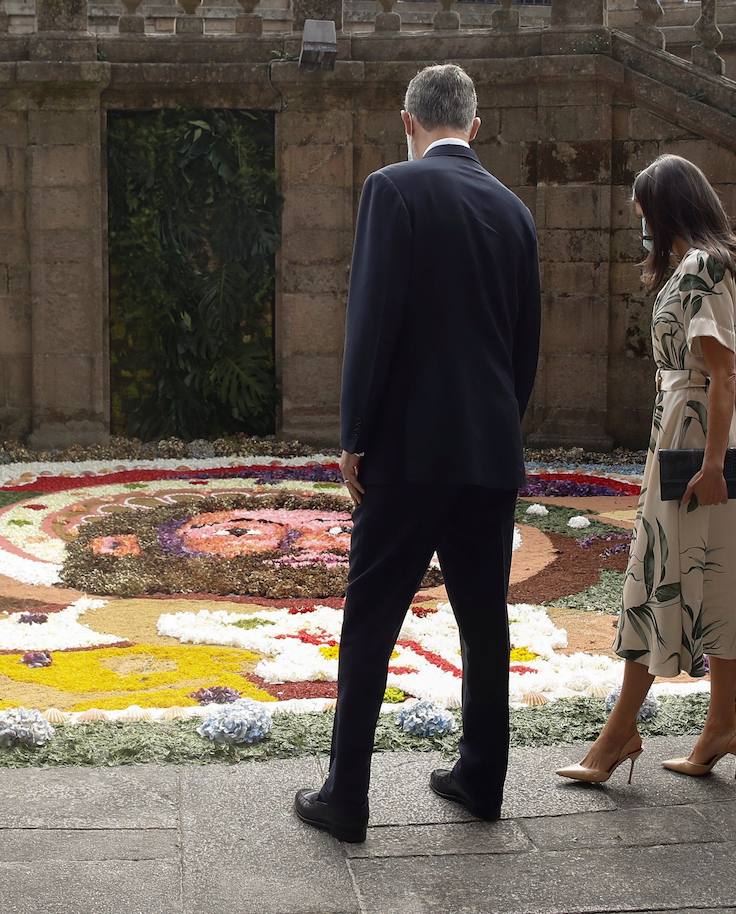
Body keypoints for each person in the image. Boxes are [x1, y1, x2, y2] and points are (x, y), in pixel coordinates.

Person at [293, 63, 541, 841]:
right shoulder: (515, 211)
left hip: (405, 450)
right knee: (483, 620)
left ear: (409, 122)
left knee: (370, 618)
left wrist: (354, 437)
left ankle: (348, 795)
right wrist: (499, 424)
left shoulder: (391, 190)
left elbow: (372, 323)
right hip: (488, 449)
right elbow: (525, 345)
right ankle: (481, 777)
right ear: (475, 124)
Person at [557, 153, 736, 786]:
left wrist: (715, 463)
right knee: (716, 573)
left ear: (667, 207)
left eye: (644, 212)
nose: (640, 225)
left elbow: (721, 373)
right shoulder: (707, 265)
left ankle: (618, 735)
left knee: (656, 574)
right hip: (688, 432)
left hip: (693, 438)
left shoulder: (701, 268)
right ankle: (720, 723)